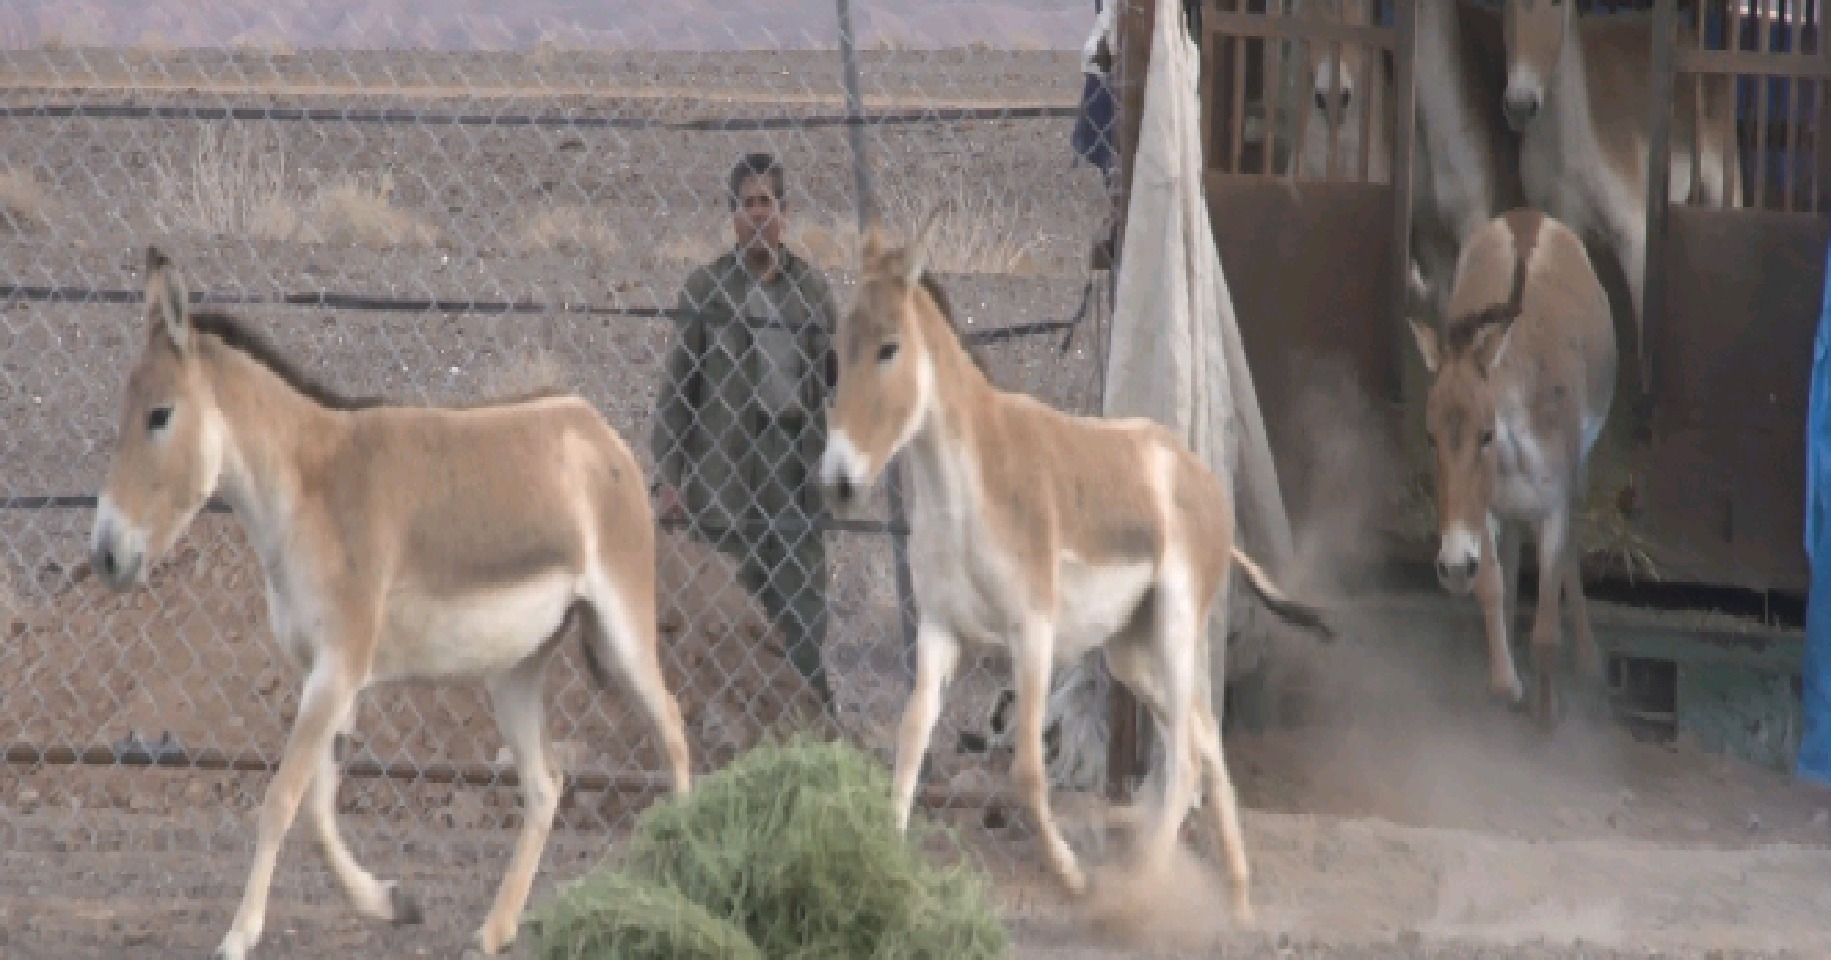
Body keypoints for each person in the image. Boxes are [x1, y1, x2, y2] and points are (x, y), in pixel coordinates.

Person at [650, 152, 839, 713]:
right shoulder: (708, 291)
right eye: (748, 204)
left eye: (769, 204)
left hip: (794, 467)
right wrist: (670, 478)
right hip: (724, 469)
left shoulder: (810, 291)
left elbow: (837, 381)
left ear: (786, 213)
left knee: (800, 602)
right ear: (732, 214)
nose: (759, 216)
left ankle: (808, 718)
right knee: (731, 601)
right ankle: (729, 724)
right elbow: (675, 393)